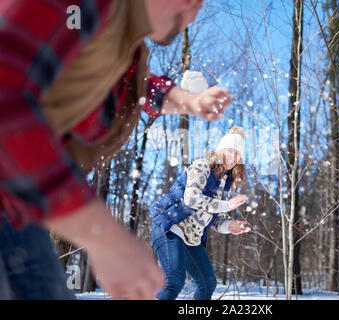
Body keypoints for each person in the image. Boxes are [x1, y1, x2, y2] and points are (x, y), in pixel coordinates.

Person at [0, 0, 232, 300]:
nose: (195, 9)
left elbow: (138, 86)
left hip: (16, 207)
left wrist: (191, 102)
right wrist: (103, 236)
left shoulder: (119, 35)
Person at [149, 126, 251, 300]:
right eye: (228, 151)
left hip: (192, 238)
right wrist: (227, 205)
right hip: (170, 226)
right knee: (174, 281)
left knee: (208, 283)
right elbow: (191, 198)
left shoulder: (225, 182)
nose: (232, 157)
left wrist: (229, 225)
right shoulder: (202, 165)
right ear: (220, 151)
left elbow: (215, 217)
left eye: (236, 154)